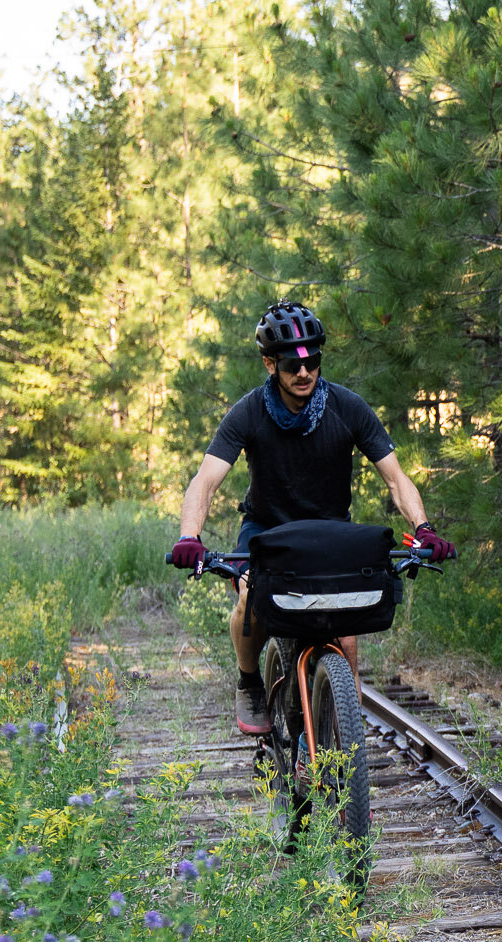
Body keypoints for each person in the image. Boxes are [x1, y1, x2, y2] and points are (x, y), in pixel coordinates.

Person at [168, 302, 456, 735]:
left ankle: (345, 759)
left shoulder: (348, 407)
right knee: (251, 601)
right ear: (270, 364)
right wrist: (190, 536)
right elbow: (206, 481)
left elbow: (396, 479)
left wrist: (424, 528)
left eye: (312, 361)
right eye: (291, 364)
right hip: (266, 531)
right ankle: (249, 683)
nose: (304, 373)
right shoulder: (248, 412)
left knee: (347, 637)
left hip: (331, 533)